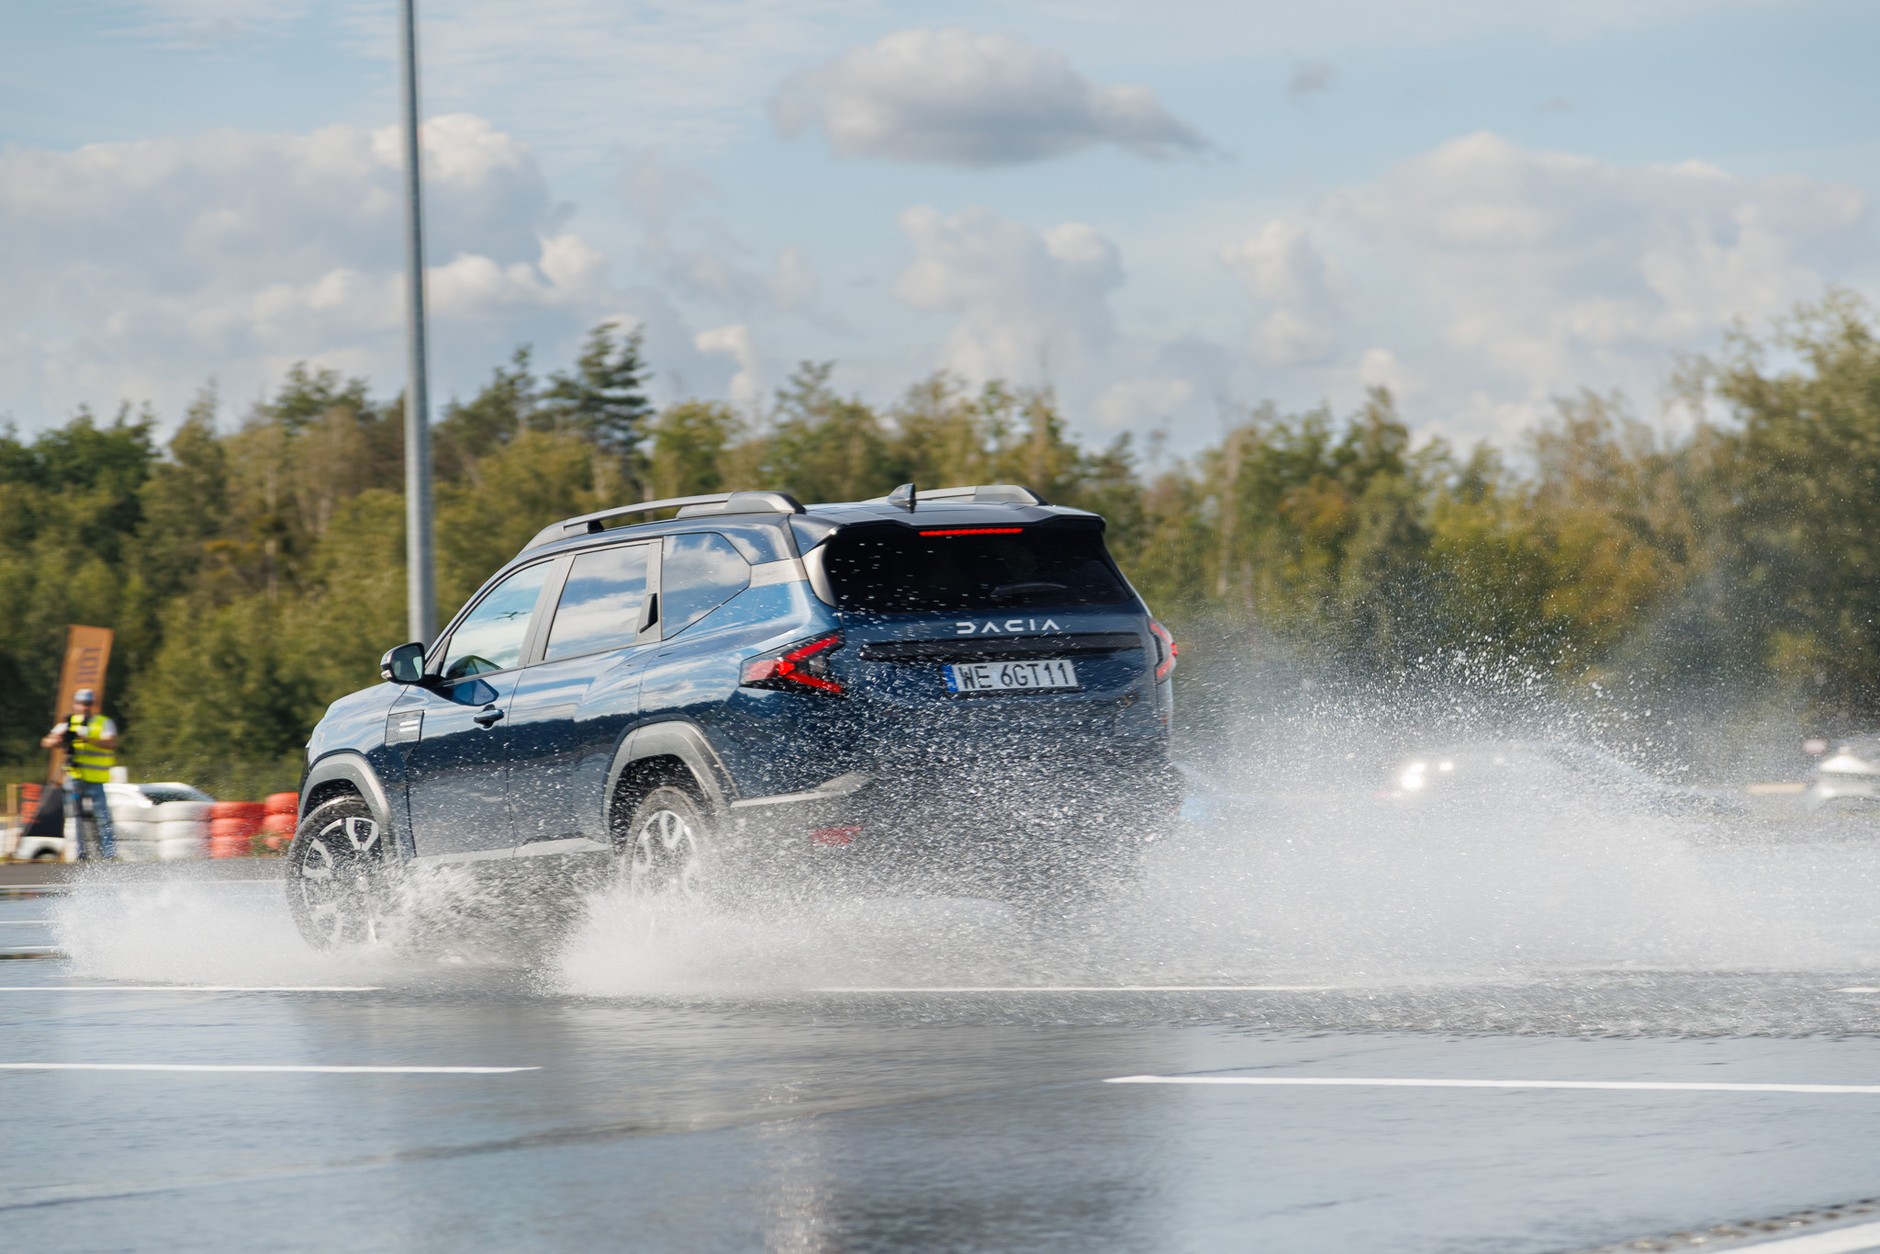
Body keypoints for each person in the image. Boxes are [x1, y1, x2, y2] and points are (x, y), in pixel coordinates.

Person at [39, 688, 117, 859]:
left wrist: (87, 738)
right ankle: (81, 854)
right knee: (76, 819)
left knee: (102, 817)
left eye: (88, 704)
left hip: (96, 780)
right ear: (75, 705)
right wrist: (57, 740)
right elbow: (45, 742)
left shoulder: (102, 722)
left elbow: (111, 743)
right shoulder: (67, 724)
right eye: (82, 704)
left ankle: (108, 853)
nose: (85, 707)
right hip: (74, 778)